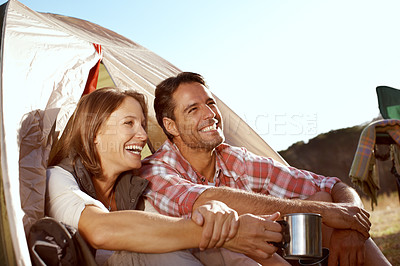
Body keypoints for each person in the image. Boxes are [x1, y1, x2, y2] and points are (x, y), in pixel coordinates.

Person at [140, 72, 391, 266]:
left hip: (276, 252)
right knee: (318, 209)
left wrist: (351, 226)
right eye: (193, 109)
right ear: (170, 126)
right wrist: (323, 211)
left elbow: (332, 185)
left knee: (325, 201)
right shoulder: (155, 171)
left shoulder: (234, 159)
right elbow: (206, 199)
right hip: (224, 258)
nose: (210, 114)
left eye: (210, 103)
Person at [45, 87, 285, 265]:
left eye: (141, 125)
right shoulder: (58, 178)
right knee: (152, 251)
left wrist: (212, 213)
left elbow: (169, 226)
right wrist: (220, 234)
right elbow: (100, 230)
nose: (142, 136)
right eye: (129, 123)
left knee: (217, 247)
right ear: (94, 132)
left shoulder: (135, 186)